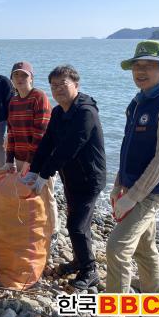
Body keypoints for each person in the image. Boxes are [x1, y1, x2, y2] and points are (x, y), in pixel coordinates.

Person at [100, 41, 159, 317]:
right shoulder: (138, 101)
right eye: (136, 66)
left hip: (152, 191)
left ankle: (114, 314)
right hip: (132, 186)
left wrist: (133, 197)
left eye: (148, 65)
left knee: (117, 247)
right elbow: (128, 147)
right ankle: (154, 307)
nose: (140, 71)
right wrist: (118, 185)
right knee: (144, 247)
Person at [25, 65, 106, 290]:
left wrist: (44, 175)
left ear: (76, 85)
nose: (58, 89)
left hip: (89, 178)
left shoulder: (86, 112)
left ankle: (90, 270)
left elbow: (69, 147)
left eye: (63, 84)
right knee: (76, 221)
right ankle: (80, 260)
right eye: (54, 85)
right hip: (71, 177)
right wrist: (33, 170)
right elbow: (47, 143)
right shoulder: (59, 112)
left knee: (76, 225)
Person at [4, 62, 58, 235]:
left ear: (31, 78)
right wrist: (9, 160)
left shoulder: (39, 97)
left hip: (41, 159)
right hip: (21, 159)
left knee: (46, 196)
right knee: (26, 195)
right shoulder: (13, 102)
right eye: (16, 75)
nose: (20, 79)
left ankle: (53, 232)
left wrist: (30, 162)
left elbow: (40, 133)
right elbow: (11, 132)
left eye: (24, 75)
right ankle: (32, 232)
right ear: (12, 79)